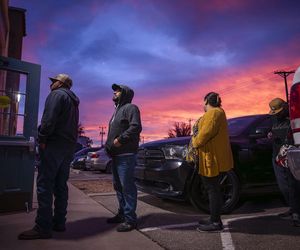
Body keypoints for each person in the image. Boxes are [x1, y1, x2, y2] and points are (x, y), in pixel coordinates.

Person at [18, 74, 80, 240]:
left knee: (45, 184)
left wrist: (43, 138)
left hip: (54, 144)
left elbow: (48, 119)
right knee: (61, 185)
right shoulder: (73, 101)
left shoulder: (57, 95)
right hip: (67, 147)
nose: (51, 84)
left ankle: (43, 227)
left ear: (61, 83)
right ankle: (59, 222)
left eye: (54, 81)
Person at [191, 92, 233, 232]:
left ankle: (215, 222)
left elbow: (206, 133)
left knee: (213, 190)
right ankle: (213, 218)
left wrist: (195, 143)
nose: (202, 105)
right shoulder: (218, 112)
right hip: (211, 156)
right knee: (212, 189)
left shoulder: (214, 113)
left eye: (203, 103)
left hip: (211, 158)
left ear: (206, 102)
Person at [105, 83, 142, 232]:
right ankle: (122, 214)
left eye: (118, 91)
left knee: (127, 188)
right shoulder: (117, 111)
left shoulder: (131, 108)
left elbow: (136, 127)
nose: (115, 93)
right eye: (114, 91)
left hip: (126, 155)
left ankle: (130, 220)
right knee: (118, 187)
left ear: (125, 93)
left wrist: (120, 140)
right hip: (115, 156)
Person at [268, 97, 300, 226]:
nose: (277, 115)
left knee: (293, 185)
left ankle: (297, 213)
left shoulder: (293, 116)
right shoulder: (273, 119)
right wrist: (270, 134)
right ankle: (293, 208)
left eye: (278, 112)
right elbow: (270, 130)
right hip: (277, 156)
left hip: (291, 155)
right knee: (283, 186)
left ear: (285, 108)